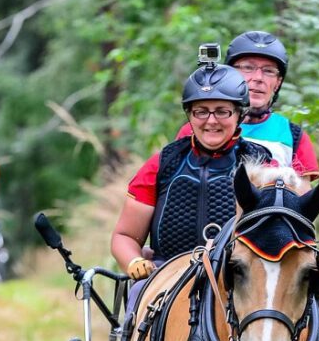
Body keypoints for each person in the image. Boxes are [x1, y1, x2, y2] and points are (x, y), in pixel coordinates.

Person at [111, 62, 271, 287]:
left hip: (240, 280)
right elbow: (125, 236)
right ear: (189, 115)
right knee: (137, 293)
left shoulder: (263, 165)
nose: (211, 120)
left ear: (239, 114)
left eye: (222, 111)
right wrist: (134, 261)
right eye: (201, 111)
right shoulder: (162, 164)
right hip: (166, 277)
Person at [176, 30, 319, 187]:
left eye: (268, 71)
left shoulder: (293, 135)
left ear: (277, 83)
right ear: (229, 75)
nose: (258, 78)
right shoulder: (199, 128)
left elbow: (303, 199)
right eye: (247, 68)